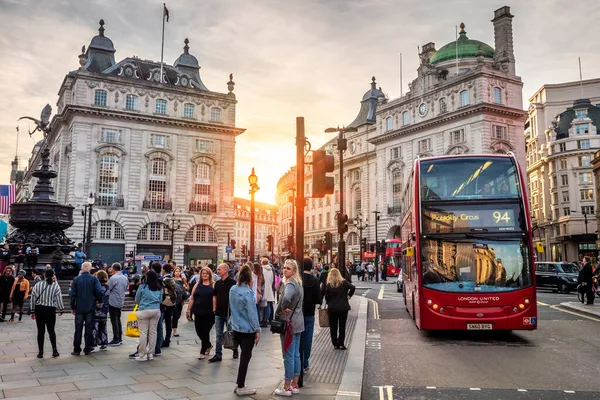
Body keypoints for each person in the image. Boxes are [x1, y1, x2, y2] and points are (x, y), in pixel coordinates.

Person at [274, 259, 304, 397]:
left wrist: (282, 308)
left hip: (289, 324)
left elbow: (286, 297)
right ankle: (295, 385)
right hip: (298, 322)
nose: (285, 270)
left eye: (288, 268)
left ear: (294, 271)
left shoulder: (291, 283)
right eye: (284, 268)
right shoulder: (298, 283)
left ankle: (286, 387)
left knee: (288, 355)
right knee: (296, 354)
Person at [230, 264, 261, 396]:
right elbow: (252, 314)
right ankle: (241, 386)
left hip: (236, 326)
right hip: (247, 329)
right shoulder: (248, 293)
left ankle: (239, 383)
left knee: (243, 356)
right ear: (249, 278)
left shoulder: (233, 289)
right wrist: (257, 330)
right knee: (245, 357)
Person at [69, 261, 104, 355]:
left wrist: (73, 307)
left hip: (79, 307)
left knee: (78, 328)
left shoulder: (76, 279)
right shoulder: (93, 279)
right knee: (89, 328)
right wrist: (98, 300)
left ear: (81, 269)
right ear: (90, 269)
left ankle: (76, 349)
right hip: (90, 306)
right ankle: (88, 348)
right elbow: (100, 291)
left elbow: (72, 294)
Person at [30, 269, 63, 358]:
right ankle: (54, 350)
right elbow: (59, 298)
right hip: (50, 309)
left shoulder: (38, 285)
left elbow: (33, 298)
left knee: (40, 331)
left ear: (44, 275)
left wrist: (32, 310)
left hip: (39, 309)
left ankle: (40, 352)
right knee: (51, 331)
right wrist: (61, 309)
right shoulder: (55, 286)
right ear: (53, 275)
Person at [209, 263, 238, 363]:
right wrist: (214, 307)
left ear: (226, 270)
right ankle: (218, 354)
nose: (217, 271)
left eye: (219, 269)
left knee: (231, 333)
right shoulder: (217, 283)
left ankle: (235, 350)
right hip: (218, 312)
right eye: (217, 269)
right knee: (218, 334)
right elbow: (214, 296)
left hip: (229, 312)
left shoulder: (233, 282)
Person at [322, 268, 355, 350]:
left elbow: (326, 297)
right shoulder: (344, 283)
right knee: (342, 326)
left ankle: (335, 344)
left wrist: (330, 301)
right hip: (343, 307)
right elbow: (353, 287)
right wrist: (348, 296)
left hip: (332, 308)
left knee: (333, 327)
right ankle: (341, 344)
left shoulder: (328, 285)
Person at [186, 266, 215, 359]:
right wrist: (188, 310)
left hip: (210, 312)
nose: (205, 275)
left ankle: (202, 351)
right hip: (198, 311)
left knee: (205, 331)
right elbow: (192, 298)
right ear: (201, 275)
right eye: (203, 273)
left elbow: (216, 298)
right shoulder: (197, 285)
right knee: (199, 331)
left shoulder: (213, 285)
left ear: (209, 274)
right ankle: (209, 345)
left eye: (206, 273)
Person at [134, 270, 162, 361]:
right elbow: (161, 300)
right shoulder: (159, 287)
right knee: (153, 332)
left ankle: (142, 355)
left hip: (144, 310)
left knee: (143, 333)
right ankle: (151, 354)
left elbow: (137, 299)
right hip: (156, 310)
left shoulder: (142, 286)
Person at [301, 257, 322, 373]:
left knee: (298, 337)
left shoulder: (298, 279)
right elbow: (319, 299)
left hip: (298, 313)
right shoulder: (314, 280)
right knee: (308, 338)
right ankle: (305, 362)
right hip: (310, 312)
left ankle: (298, 361)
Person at [107, 263, 129, 346]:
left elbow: (108, 289)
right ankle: (119, 337)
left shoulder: (113, 278)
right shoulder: (125, 277)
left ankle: (116, 338)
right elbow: (126, 287)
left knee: (114, 320)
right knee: (118, 319)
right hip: (121, 300)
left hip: (113, 300)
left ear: (113, 269)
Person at [92, 270, 110, 351]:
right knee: (103, 326)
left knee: (94, 327)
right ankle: (103, 342)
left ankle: (93, 343)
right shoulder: (107, 286)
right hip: (105, 309)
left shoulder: (96, 286)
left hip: (96, 309)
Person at [172, 266, 188, 337]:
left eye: (179, 271)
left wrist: (186, 287)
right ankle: (174, 331)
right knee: (175, 315)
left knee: (178, 315)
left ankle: (173, 325)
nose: (178, 272)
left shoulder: (183, 279)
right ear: (174, 272)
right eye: (176, 271)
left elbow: (187, 287)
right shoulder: (172, 280)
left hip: (181, 300)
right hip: (174, 300)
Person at [261, 258, 275, 327]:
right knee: (268, 306)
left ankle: (263, 320)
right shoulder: (271, 270)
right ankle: (266, 320)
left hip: (264, 289)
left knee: (263, 306)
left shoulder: (262, 269)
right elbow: (272, 280)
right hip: (269, 288)